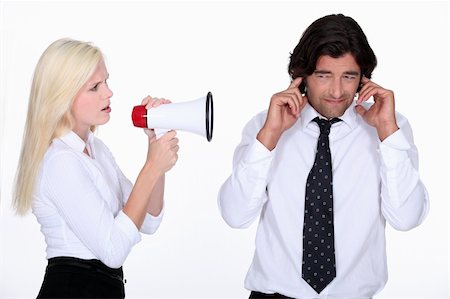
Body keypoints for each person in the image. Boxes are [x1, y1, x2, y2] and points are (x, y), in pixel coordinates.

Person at [218, 14, 429, 299]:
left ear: (363, 79)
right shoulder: (265, 126)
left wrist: (388, 132)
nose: (337, 91)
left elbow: (406, 218)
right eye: (323, 75)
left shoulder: (389, 127)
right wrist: (269, 136)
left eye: (349, 76)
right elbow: (235, 214)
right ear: (302, 76)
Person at [13, 38, 179, 298]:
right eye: (95, 87)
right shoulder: (60, 161)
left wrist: (155, 145)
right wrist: (152, 167)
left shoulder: (96, 150)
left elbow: (149, 219)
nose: (109, 93)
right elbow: (113, 250)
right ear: (63, 96)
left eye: (106, 82)